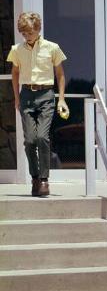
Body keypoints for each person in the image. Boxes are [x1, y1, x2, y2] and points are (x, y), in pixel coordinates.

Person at [6, 12, 68, 197]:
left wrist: (62, 98)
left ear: (38, 29)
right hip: (26, 95)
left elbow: (60, 75)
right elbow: (15, 74)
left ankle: (44, 180)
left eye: (30, 33)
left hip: (46, 95)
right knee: (29, 140)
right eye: (24, 33)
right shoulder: (16, 50)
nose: (27, 36)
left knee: (42, 137)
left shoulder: (52, 48)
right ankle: (34, 178)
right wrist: (17, 98)